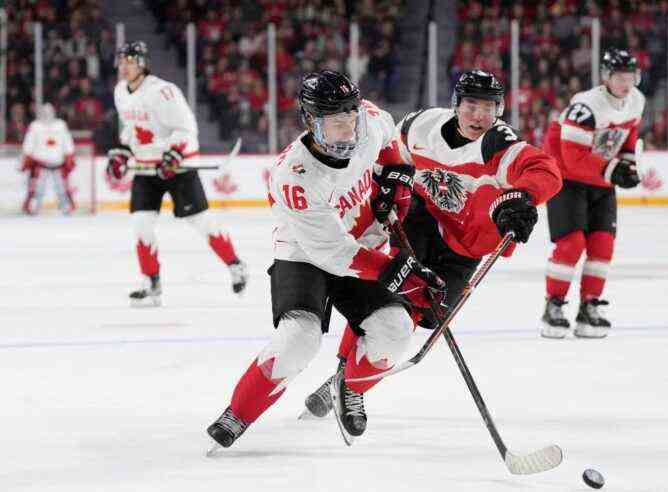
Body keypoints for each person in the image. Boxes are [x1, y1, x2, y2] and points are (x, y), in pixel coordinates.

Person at [301, 69, 562, 420]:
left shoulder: (497, 142)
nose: (478, 115)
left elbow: (545, 170)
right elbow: (384, 154)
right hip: (420, 221)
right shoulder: (420, 123)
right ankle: (347, 381)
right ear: (456, 103)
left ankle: (349, 382)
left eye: (488, 107)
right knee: (386, 301)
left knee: (417, 320)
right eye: (471, 105)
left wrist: (522, 197)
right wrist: (382, 186)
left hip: (465, 246)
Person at [206, 70, 447, 448]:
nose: (348, 131)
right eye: (335, 123)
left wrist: (399, 179)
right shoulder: (294, 175)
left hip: (361, 243)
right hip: (305, 254)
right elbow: (332, 252)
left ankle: (348, 388)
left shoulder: (366, 120)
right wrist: (397, 272)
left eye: (350, 119)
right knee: (299, 338)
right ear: (311, 121)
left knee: (395, 330)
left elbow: (391, 141)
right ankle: (239, 411)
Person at [106, 41, 249, 307]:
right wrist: (122, 151)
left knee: (201, 222)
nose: (124, 67)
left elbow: (186, 129)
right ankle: (152, 283)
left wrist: (173, 155)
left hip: (177, 168)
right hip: (146, 168)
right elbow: (131, 130)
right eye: (121, 61)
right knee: (141, 224)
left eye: (130, 61)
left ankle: (236, 265)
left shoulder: (163, 91)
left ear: (143, 64)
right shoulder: (120, 92)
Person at [540, 48, 645, 339]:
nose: (626, 83)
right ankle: (554, 306)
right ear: (606, 77)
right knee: (571, 244)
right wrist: (614, 170)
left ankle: (589, 307)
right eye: (620, 77)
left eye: (631, 76)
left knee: (602, 246)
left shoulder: (636, 101)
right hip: (566, 178)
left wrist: (629, 165)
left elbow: (629, 137)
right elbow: (572, 158)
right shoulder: (585, 106)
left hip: (599, 179)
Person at [20, 103, 77, 215]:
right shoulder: (35, 126)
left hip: (58, 162)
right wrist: (27, 154)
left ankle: (66, 206)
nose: (47, 115)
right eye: (44, 113)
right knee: (37, 188)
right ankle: (34, 206)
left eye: (49, 112)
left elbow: (67, 141)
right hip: (40, 163)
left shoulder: (61, 125)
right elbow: (29, 143)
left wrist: (69, 154)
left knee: (62, 188)